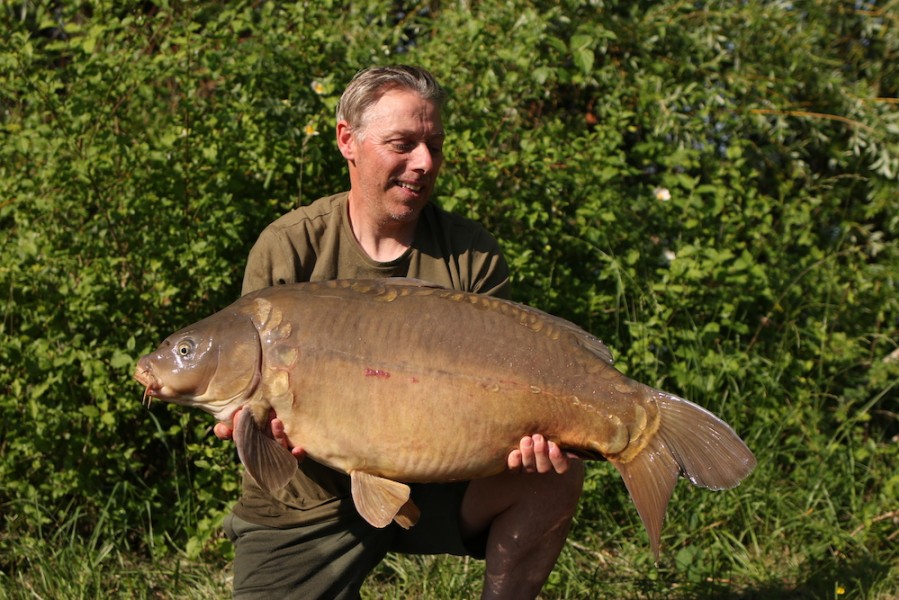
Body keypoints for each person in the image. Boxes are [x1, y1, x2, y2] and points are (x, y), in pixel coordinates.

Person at [213, 65, 585, 599]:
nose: (424, 162)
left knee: (554, 476)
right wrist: (260, 430)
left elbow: (501, 393)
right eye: (402, 143)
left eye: (433, 144)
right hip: (307, 502)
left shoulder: (471, 255)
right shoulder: (289, 248)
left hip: (440, 480)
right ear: (348, 140)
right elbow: (258, 429)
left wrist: (529, 437)